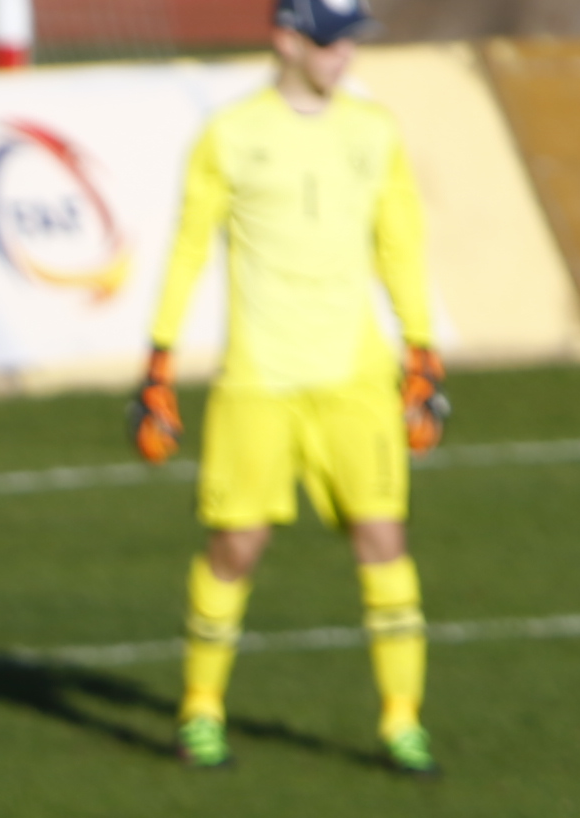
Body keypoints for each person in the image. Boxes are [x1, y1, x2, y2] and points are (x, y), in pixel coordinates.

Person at [138, 0, 445, 778]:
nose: (345, 56)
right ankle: (201, 712)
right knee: (236, 546)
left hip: (356, 383)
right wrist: (160, 361)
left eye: (351, 42)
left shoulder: (373, 134)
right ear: (285, 39)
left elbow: (399, 244)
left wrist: (422, 350)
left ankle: (402, 724)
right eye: (329, 41)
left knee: (385, 541)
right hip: (259, 383)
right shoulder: (232, 136)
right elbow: (187, 248)